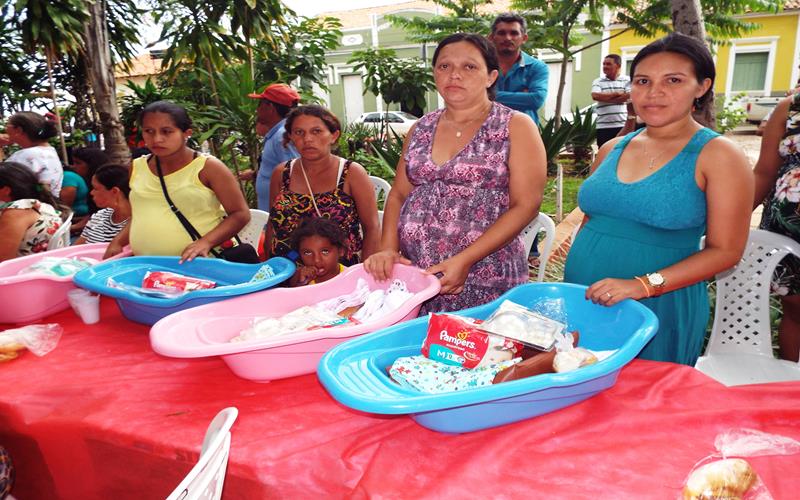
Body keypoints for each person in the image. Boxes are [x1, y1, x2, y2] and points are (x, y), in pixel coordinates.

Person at [564, 32, 754, 366]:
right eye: (643, 81)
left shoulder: (719, 155)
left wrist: (642, 285)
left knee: (644, 409)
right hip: (586, 297)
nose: (654, 93)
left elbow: (726, 252)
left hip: (657, 306)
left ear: (702, 86)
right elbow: (593, 220)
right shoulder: (611, 149)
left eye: (674, 80)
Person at [364, 33, 547, 314]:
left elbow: (526, 205)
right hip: (419, 276)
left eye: (469, 67)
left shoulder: (515, 126)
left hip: (486, 273)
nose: (455, 75)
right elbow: (399, 194)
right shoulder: (420, 128)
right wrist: (388, 249)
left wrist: (466, 260)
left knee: (478, 353)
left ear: (491, 76)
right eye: (444, 66)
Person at [104, 101, 250, 261]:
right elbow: (141, 214)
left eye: (167, 131)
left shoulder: (208, 168)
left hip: (200, 265)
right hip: (148, 268)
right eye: (149, 131)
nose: (157, 139)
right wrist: (117, 242)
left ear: (186, 133)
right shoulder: (137, 167)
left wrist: (205, 242)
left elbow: (240, 214)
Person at [266, 105, 380, 265]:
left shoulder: (351, 174)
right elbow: (272, 224)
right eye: (299, 132)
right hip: (286, 271)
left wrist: (364, 273)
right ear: (291, 137)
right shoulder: (282, 173)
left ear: (334, 135)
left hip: (338, 275)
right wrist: (268, 268)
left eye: (316, 131)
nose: (307, 139)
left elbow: (372, 228)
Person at [752, 90, 800, 362]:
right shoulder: (789, 108)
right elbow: (764, 172)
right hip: (788, 236)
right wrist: (730, 221)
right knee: (795, 313)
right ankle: (793, 391)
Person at [239, 83, 301, 210]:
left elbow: (296, 175)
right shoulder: (277, 135)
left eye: (260, 104)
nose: (257, 109)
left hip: (282, 218)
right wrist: (256, 174)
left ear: (270, 107)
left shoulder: (281, 137)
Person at [488, 13, 549, 125]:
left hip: (525, 134)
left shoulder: (537, 67)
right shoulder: (481, 66)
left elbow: (536, 100)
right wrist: (522, 97)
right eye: (502, 33)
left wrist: (488, 95)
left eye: (514, 33)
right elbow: (469, 96)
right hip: (484, 135)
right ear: (491, 37)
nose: (507, 38)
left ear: (524, 38)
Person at [0, 162, 67, 261]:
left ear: (6, 190)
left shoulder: (17, 211)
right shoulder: (39, 205)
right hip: (45, 265)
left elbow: (3, 259)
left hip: (25, 271)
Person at [0, 112, 63, 196]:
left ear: (19, 130)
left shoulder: (26, 155)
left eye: (7, 124)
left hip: (23, 206)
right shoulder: (49, 151)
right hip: (44, 206)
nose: (5, 129)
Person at [73, 164, 131, 245]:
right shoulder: (99, 216)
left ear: (115, 191)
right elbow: (76, 248)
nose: (92, 193)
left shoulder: (136, 224)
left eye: (96, 189)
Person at [288, 217, 347, 286]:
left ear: (341, 251)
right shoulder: (299, 279)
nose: (317, 260)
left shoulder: (352, 276)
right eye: (308, 253)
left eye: (325, 251)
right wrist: (300, 283)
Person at [591, 54, 632, 147]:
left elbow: (629, 96)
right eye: (604, 64)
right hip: (603, 127)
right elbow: (595, 96)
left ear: (618, 66)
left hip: (623, 126)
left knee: (623, 154)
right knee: (605, 155)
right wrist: (617, 94)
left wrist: (605, 98)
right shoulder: (598, 81)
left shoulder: (627, 80)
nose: (605, 66)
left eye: (608, 64)